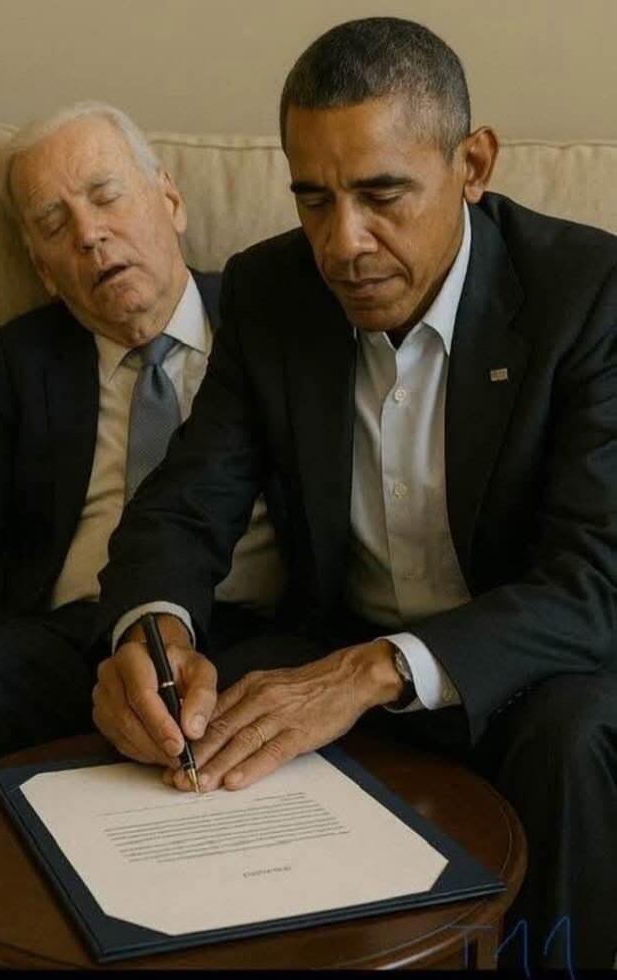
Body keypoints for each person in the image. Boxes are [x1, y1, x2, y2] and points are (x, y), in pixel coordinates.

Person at [93, 19, 617, 970]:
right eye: (314, 199)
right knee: (204, 728)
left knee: (578, 737)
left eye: (382, 195)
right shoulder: (269, 290)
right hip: (327, 642)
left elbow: (597, 581)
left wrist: (373, 669)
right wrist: (154, 631)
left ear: (473, 162)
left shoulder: (589, 291)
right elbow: (186, 504)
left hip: (530, 673)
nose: (344, 243)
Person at [0, 101, 282, 766]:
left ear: (169, 198)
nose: (89, 234)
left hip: (245, 630)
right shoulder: (21, 359)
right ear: (43, 272)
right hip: (69, 639)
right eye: (55, 224)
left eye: (105, 196)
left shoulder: (268, 323)